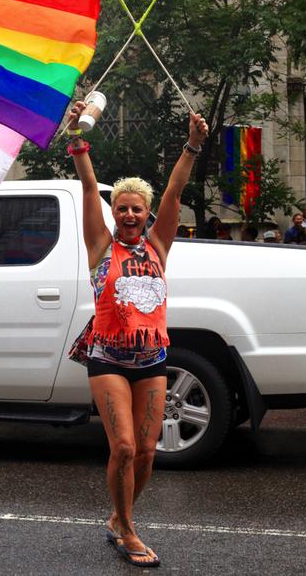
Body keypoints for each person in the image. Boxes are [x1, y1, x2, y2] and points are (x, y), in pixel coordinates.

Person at [66, 100, 208, 568]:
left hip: (150, 360)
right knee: (123, 446)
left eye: (137, 209)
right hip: (107, 357)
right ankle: (126, 529)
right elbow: (88, 187)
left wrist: (191, 145)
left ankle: (118, 517)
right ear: (113, 212)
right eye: (122, 208)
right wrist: (79, 140)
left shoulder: (159, 245)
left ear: (147, 214)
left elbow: (174, 191)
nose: (130, 215)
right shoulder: (100, 245)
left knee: (147, 452)